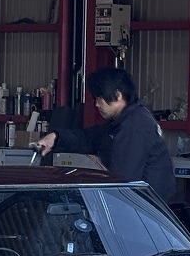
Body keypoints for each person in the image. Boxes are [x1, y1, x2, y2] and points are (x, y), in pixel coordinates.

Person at [35, 67, 177, 203]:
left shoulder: (135, 126)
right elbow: (88, 138)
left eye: (100, 98)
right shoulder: (121, 122)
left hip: (144, 206)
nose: (96, 104)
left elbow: (122, 180)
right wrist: (56, 137)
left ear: (118, 95)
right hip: (138, 203)